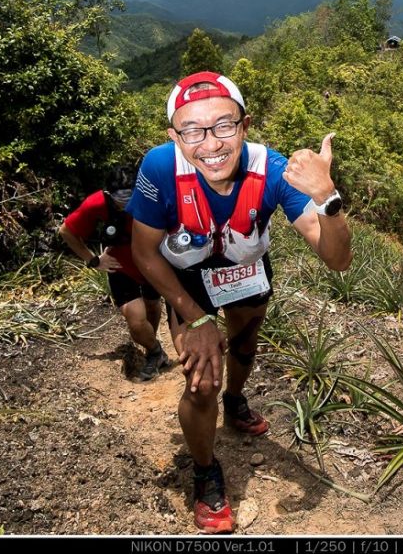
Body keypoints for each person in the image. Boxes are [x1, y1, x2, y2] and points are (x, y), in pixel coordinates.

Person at [127, 71, 352, 533]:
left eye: (224, 126)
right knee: (200, 382)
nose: (210, 144)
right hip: (188, 277)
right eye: (192, 130)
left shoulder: (272, 170)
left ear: (245, 125)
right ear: (174, 136)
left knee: (245, 347)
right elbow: (144, 252)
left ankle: (235, 402)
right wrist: (195, 319)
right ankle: (206, 471)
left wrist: (326, 197)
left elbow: (338, 259)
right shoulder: (160, 168)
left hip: (245, 269)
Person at [60, 187, 170, 381]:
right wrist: (93, 260)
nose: (128, 203)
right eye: (121, 199)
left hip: (153, 263)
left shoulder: (154, 194)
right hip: (120, 267)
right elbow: (66, 231)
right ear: (109, 194)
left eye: (131, 196)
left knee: (152, 304)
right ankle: (155, 350)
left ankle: (151, 348)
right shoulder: (97, 204)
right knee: (135, 320)